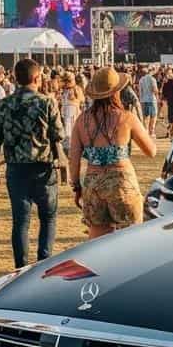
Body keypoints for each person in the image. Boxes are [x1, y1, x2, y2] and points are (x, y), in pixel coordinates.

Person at [0, 59, 66, 269]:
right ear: (37, 77)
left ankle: (21, 268)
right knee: (48, 218)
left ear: (15, 78)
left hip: (16, 170)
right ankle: (43, 264)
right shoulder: (47, 102)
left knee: (20, 222)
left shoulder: (4, 105)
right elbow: (58, 136)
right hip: (43, 169)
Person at [68, 67, 156, 239]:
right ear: (116, 92)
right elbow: (151, 151)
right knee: (132, 241)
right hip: (123, 183)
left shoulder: (81, 121)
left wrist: (77, 187)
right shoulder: (127, 117)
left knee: (97, 244)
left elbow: (74, 159)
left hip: (93, 185)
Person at [139, 67, 159, 136]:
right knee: (154, 115)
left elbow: (140, 91)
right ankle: (151, 131)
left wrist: (140, 100)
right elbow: (155, 90)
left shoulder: (141, 80)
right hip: (151, 99)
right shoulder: (152, 79)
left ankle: (145, 131)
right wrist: (157, 96)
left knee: (145, 117)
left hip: (143, 100)